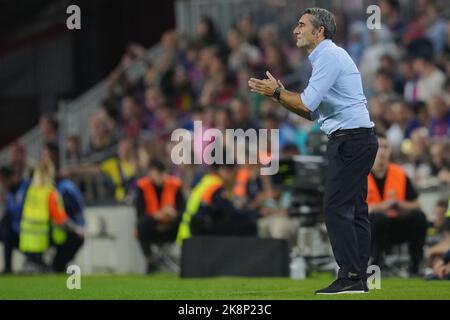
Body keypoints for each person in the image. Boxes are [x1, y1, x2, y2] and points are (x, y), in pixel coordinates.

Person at [249, 7, 378, 294]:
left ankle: (351, 276)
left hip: (350, 140)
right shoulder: (328, 56)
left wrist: (278, 93)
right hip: (355, 139)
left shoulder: (328, 56)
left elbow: (306, 105)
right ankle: (357, 278)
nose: (295, 30)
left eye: (302, 24)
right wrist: (281, 96)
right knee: (354, 210)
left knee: (335, 208)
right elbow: (311, 113)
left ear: (319, 31)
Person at [368, 134, 428, 276]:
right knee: (379, 218)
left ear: (390, 151)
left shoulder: (399, 173)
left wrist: (399, 204)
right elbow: (354, 208)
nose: (382, 151)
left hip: (396, 225)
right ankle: (375, 265)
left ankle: (416, 265)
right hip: (369, 228)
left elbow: (416, 204)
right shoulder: (360, 174)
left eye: (386, 147)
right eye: (379, 147)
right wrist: (381, 206)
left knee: (419, 217)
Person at [176, 163, 259, 246]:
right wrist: (256, 215)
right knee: (246, 226)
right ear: (225, 170)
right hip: (193, 238)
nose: (234, 178)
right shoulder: (215, 187)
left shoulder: (208, 180)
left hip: (187, 234)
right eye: (234, 173)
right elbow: (231, 213)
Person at [135, 159, 184, 274]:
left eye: (161, 173)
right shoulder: (143, 187)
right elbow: (140, 213)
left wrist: (173, 214)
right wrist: (157, 216)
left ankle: (160, 263)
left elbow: (182, 210)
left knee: (183, 221)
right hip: (152, 229)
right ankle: (150, 259)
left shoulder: (175, 185)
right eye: (156, 173)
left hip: (171, 228)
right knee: (142, 224)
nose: (159, 177)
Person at [0, 166, 30, 273]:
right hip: (17, 231)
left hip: (29, 232)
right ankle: (8, 267)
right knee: (4, 227)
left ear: (10, 178)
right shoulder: (10, 193)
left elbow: (21, 211)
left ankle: (35, 261)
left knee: (6, 231)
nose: (2, 185)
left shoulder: (26, 187)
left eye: (3, 181)